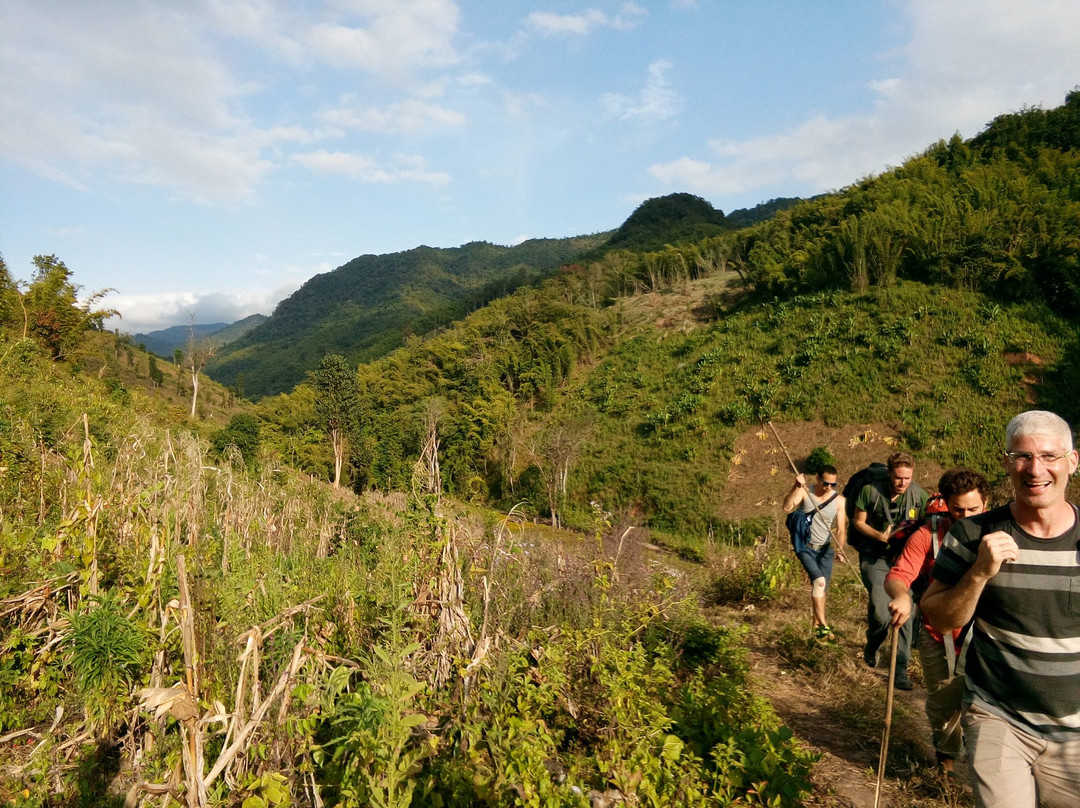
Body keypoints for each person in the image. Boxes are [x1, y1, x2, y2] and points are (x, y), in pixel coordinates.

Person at [921, 411, 1080, 807]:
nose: (1035, 469)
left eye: (1049, 456)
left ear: (1072, 462)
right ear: (1007, 463)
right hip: (999, 718)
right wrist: (978, 573)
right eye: (1022, 456)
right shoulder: (973, 534)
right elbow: (939, 619)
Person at [884, 468, 990, 776]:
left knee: (986, 706)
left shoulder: (998, 531)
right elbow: (899, 576)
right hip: (937, 633)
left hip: (985, 635)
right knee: (944, 705)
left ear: (986, 502)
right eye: (958, 510)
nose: (966, 516)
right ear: (944, 503)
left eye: (974, 509)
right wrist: (902, 597)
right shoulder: (927, 535)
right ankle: (946, 764)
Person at [851, 451, 928, 689]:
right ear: (889, 474)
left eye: (907, 478)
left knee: (906, 612)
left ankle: (900, 670)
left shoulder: (918, 496)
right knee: (880, 613)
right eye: (898, 478)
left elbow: (926, 526)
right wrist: (879, 536)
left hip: (904, 558)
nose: (903, 483)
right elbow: (858, 521)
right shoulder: (870, 491)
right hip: (875, 556)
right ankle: (873, 644)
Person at [782, 465, 847, 638]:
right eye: (826, 483)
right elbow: (787, 508)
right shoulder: (805, 491)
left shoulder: (839, 501)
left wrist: (840, 550)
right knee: (819, 582)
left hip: (825, 551)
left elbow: (841, 530)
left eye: (833, 484)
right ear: (817, 478)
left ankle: (816, 630)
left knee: (822, 589)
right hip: (805, 547)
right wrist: (796, 486)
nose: (829, 487)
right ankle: (825, 627)